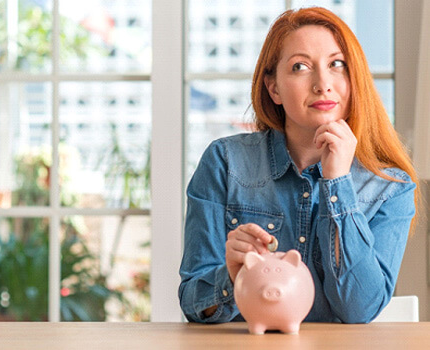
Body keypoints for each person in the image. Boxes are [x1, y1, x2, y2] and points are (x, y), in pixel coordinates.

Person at [178, 7, 419, 324]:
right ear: (273, 88)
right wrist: (231, 277)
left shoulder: (389, 187)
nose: (323, 84)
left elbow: (359, 311)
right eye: (300, 67)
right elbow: (194, 302)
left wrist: (337, 184)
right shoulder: (225, 162)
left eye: (337, 65)